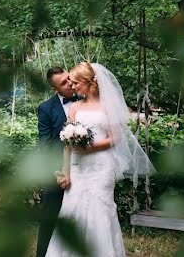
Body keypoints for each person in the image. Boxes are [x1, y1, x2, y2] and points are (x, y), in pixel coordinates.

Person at [45, 62, 155, 257]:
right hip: (78, 169)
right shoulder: (75, 108)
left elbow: (115, 138)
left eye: (76, 82)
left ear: (90, 83)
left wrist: (90, 147)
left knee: (100, 212)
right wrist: (65, 173)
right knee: (73, 212)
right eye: (70, 82)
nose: (73, 86)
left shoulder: (107, 107)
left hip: (101, 167)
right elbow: (67, 145)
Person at [36, 66, 77, 257]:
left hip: (82, 170)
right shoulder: (45, 108)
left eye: (69, 78)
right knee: (50, 218)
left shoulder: (86, 101)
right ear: (55, 89)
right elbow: (45, 143)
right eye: (64, 83)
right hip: (56, 172)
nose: (70, 83)